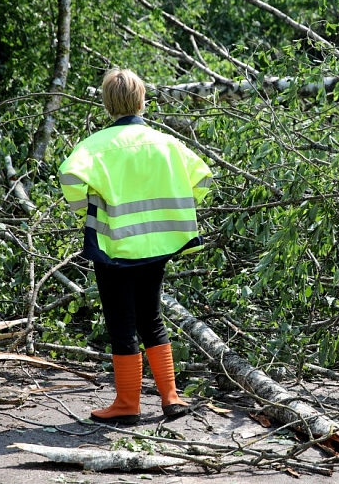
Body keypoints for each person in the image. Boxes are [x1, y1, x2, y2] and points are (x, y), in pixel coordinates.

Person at [59, 68, 212, 425]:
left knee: (121, 323)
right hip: (158, 244)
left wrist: (85, 209)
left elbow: (69, 176)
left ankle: (128, 404)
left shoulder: (94, 145)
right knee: (151, 317)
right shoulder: (166, 143)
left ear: (107, 103)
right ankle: (171, 398)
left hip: (113, 246)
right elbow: (203, 177)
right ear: (142, 101)